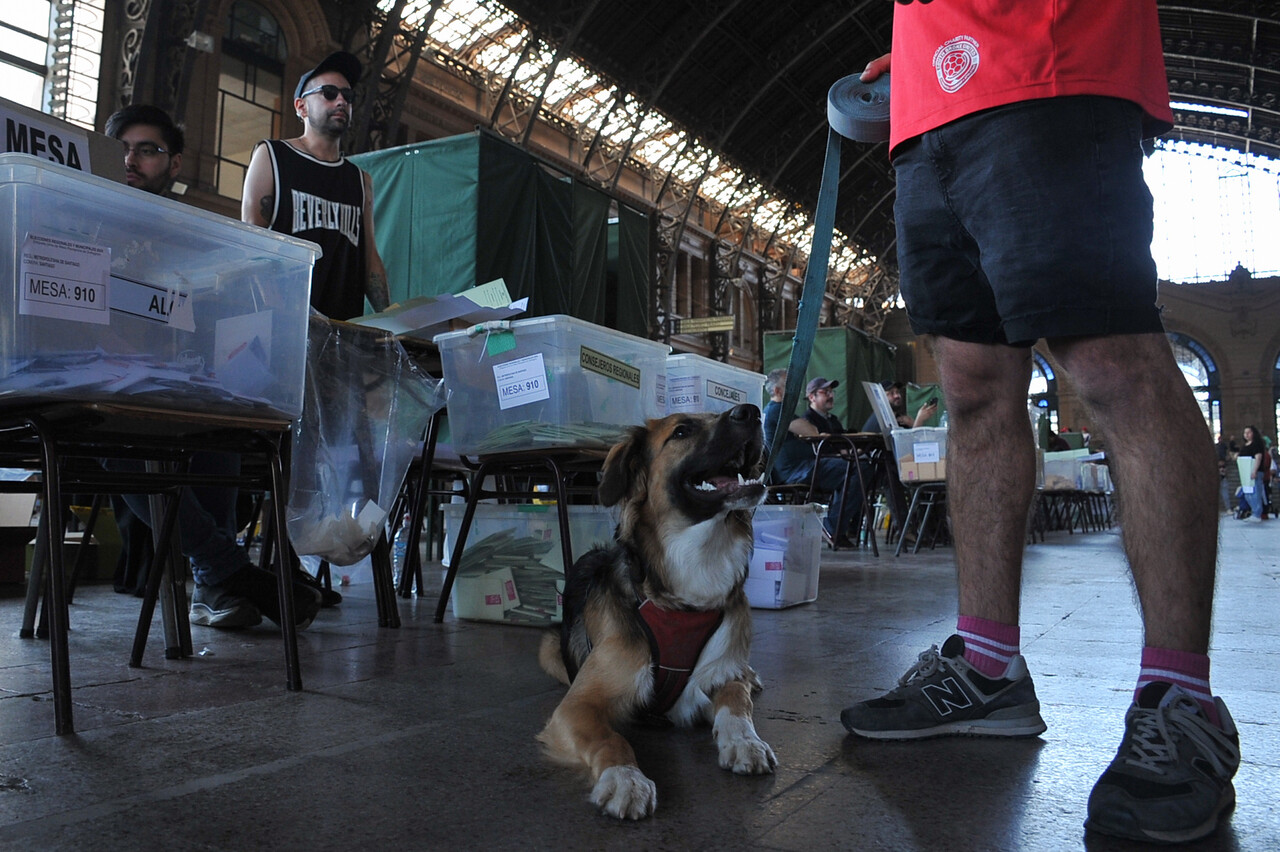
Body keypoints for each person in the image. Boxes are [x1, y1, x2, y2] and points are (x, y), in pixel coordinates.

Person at [840, 3, 1238, 845]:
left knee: (1111, 363)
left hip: (1053, 61)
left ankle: (1182, 698)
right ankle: (987, 668)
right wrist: (921, 41)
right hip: (930, 99)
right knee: (974, 386)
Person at [102, 105, 322, 631]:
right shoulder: (82, 216)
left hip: (171, 386)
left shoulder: (189, 234)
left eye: (148, 149)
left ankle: (215, 582)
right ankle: (224, 571)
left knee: (223, 417)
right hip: (99, 393)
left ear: (175, 163)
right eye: (123, 148)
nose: (132, 159)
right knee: (119, 443)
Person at [241, 50, 390, 319]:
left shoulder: (360, 180)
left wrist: (391, 319)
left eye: (348, 96)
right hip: (283, 325)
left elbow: (369, 259)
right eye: (329, 93)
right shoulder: (272, 156)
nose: (342, 101)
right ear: (301, 106)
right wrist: (277, 314)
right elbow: (253, 240)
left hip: (341, 332)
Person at [763, 370, 869, 547]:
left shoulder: (776, 410)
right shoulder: (778, 410)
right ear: (778, 391)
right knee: (860, 467)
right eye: (790, 385)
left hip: (803, 467)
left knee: (856, 467)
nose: (795, 389)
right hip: (797, 471)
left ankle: (833, 527)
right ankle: (831, 528)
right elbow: (811, 432)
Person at [861, 380, 937, 433]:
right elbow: (908, 446)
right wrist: (919, 420)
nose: (897, 396)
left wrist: (912, 423)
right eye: (891, 393)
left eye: (897, 392)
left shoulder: (900, 419)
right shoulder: (881, 419)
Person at [1237, 425, 1266, 522]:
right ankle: (1254, 511)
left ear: (1253, 433)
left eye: (1249, 432)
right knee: (1247, 494)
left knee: (1255, 493)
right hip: (1246, 473)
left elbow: (1258, 457)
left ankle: (1257, 513)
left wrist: (1254, 470)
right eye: (1245, 433)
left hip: (1255, 472)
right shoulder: (1245, 445)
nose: (1246, 435)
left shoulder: (1256, 444)